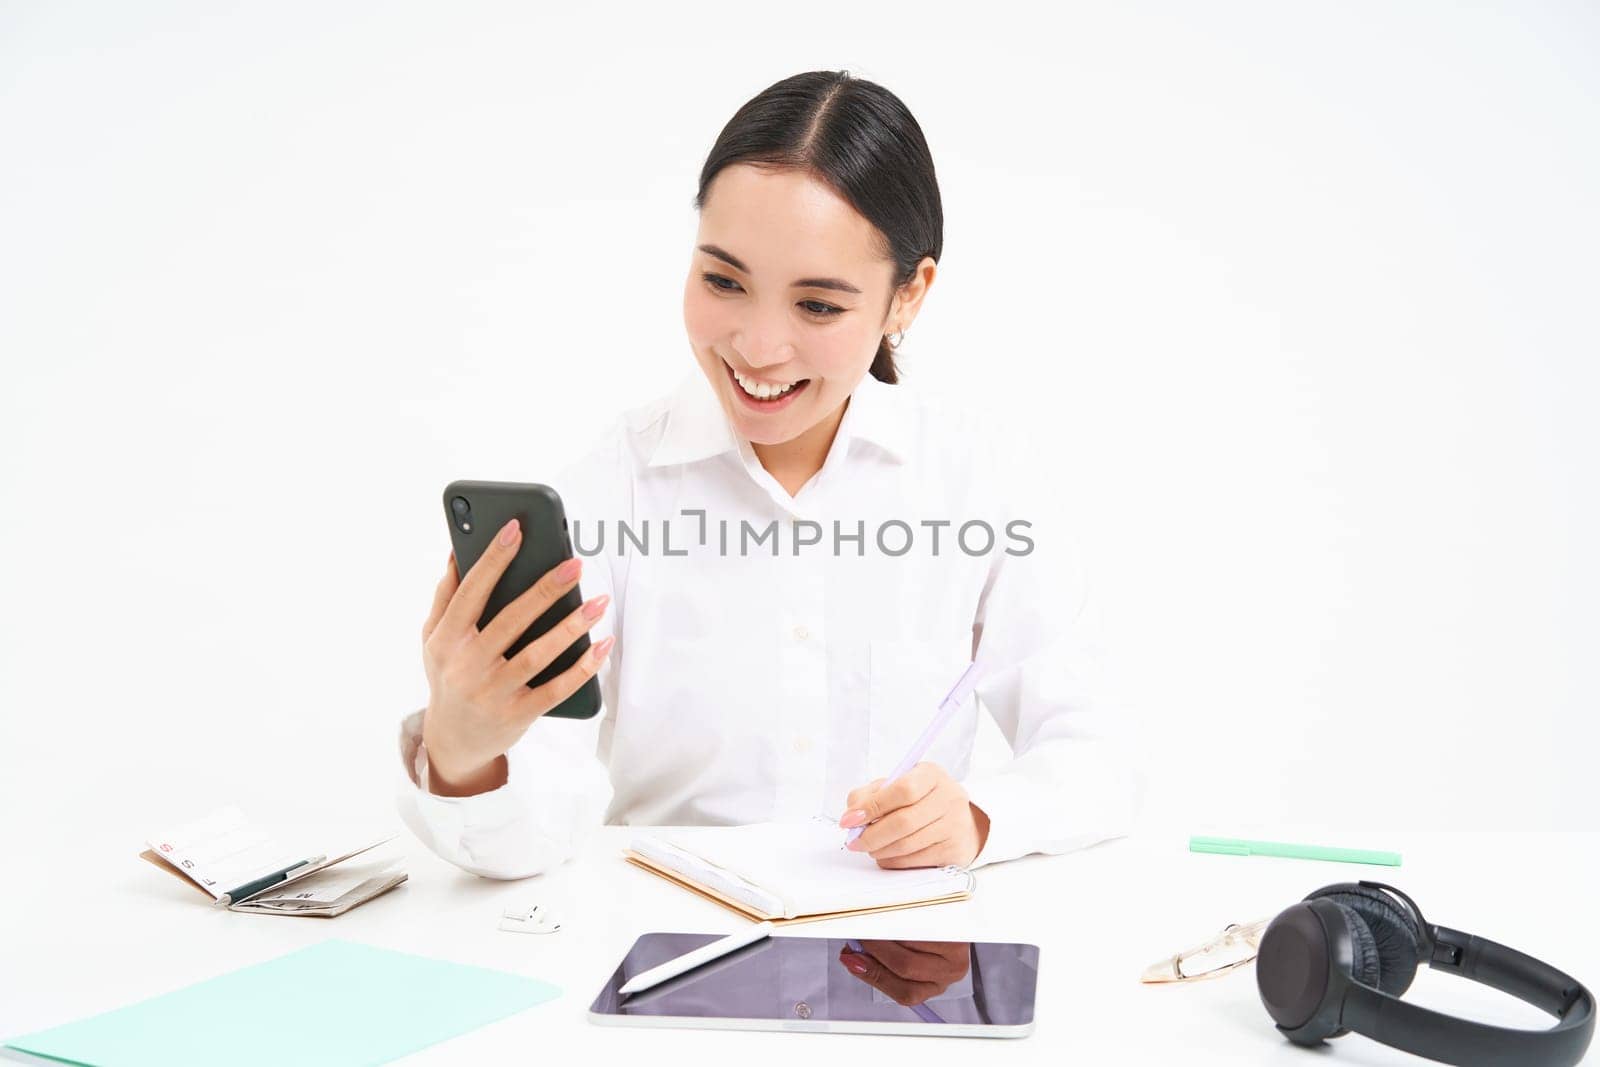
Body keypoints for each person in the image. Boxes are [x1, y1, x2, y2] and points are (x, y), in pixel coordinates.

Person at [397, 69, 1142, 880]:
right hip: (665, 946)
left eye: (818, 306)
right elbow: (539, 828)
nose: (758, 346)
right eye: (723, 281)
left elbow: (1096, 754)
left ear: (908, 296)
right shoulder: (610, 492)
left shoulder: (976, 481)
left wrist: (976, 818)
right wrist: (466, 753)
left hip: (897, 960)